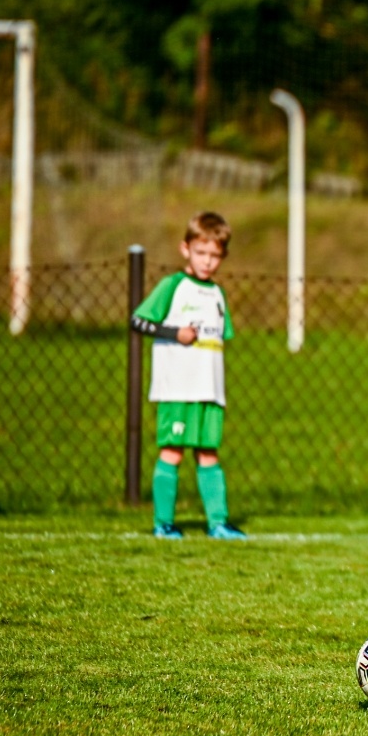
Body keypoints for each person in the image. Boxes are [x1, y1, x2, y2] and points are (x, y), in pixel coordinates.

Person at [129, 212, 246, 540]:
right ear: (186, 249)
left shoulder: (218, 295)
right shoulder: (173, 286)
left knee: (209, 452)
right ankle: (163, 523)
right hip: (177, 388)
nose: (208, 262)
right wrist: (173, 332)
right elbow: (138, 321)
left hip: (209, 391)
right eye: (201, 253)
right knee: (173, 451)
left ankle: (218, 523)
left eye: (215, 256)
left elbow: (220, 339)